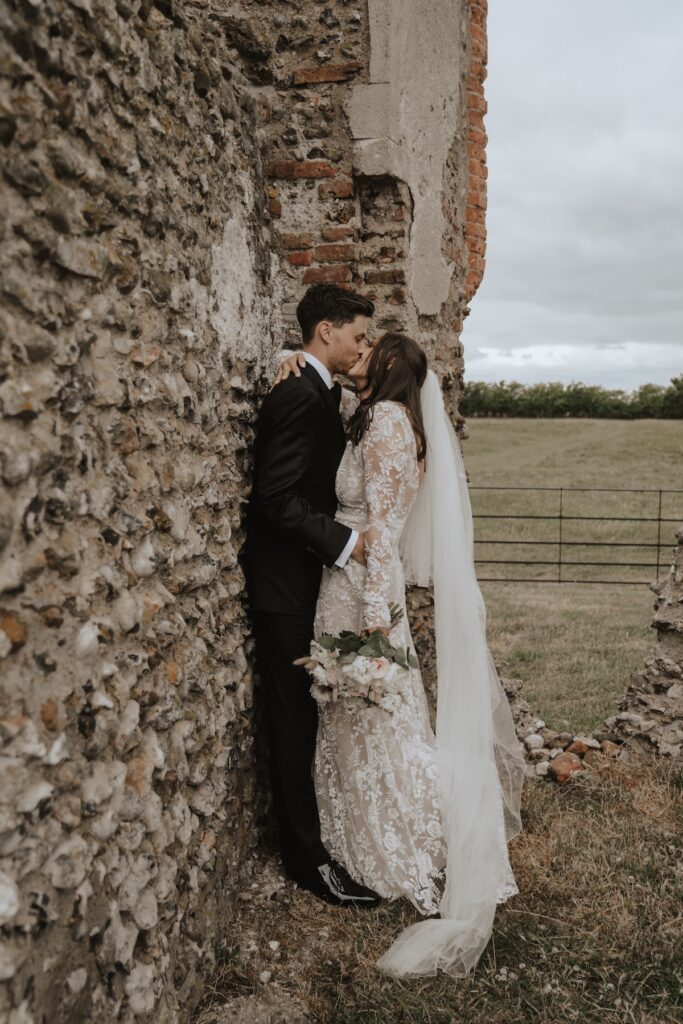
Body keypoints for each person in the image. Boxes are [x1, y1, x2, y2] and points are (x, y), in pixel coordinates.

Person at [273, 331, 526, 977]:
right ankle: (360, 835)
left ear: (386, 367)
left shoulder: (387, 420)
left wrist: (372, 625)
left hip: (359, 587)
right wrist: (288, 358)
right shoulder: (380, 417)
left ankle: (396, 843)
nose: (356, 354)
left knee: (370, 711)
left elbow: (381, 530)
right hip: (351, 581)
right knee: (361, 716)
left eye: (367, 350)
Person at [243, 283, 381, 908]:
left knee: (308, 717)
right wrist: (348, 542)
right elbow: (274, 500)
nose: (363, 346)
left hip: (307, 582)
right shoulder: (300, 393)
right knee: (293, 721)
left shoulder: (315, 386)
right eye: (357, 334)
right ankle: (307, 861)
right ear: (325, 331)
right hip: (285, 589)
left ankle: (317, 843)